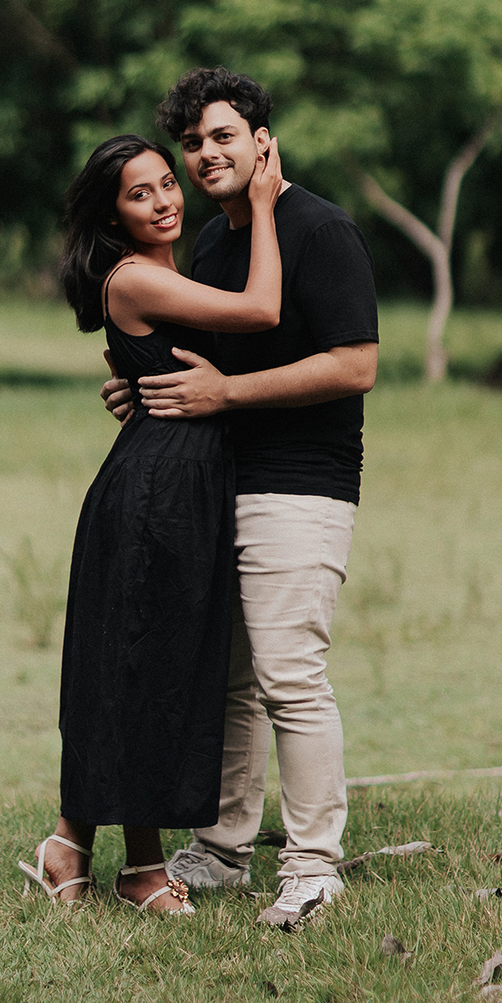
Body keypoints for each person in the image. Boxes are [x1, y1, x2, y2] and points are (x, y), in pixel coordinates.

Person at [101, 67, 378, 928]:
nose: (205, 154)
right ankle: (222, 849)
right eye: (192, 143)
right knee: (228, 681)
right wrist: (143, 386)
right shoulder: (218, 247)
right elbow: (204, 365)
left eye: (223, 136)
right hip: (215, 482)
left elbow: (355, 365)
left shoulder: (320, 229)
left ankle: (314, 867)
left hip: (301, 484)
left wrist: (227, 395)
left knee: (290, 676)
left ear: (262, 140)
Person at [19, 129, 283, 912]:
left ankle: (78, 848)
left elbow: (148, 364)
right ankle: (130, 866)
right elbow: (262, 310)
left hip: (180, 481)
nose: (165, 200)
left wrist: (132, 383)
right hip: (155, 494)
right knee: (142, 667)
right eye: (141, 194)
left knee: (147, 667)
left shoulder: (169, 272)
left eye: (167, 182)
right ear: (113, 216)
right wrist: (265, 205)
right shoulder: (136, 277)